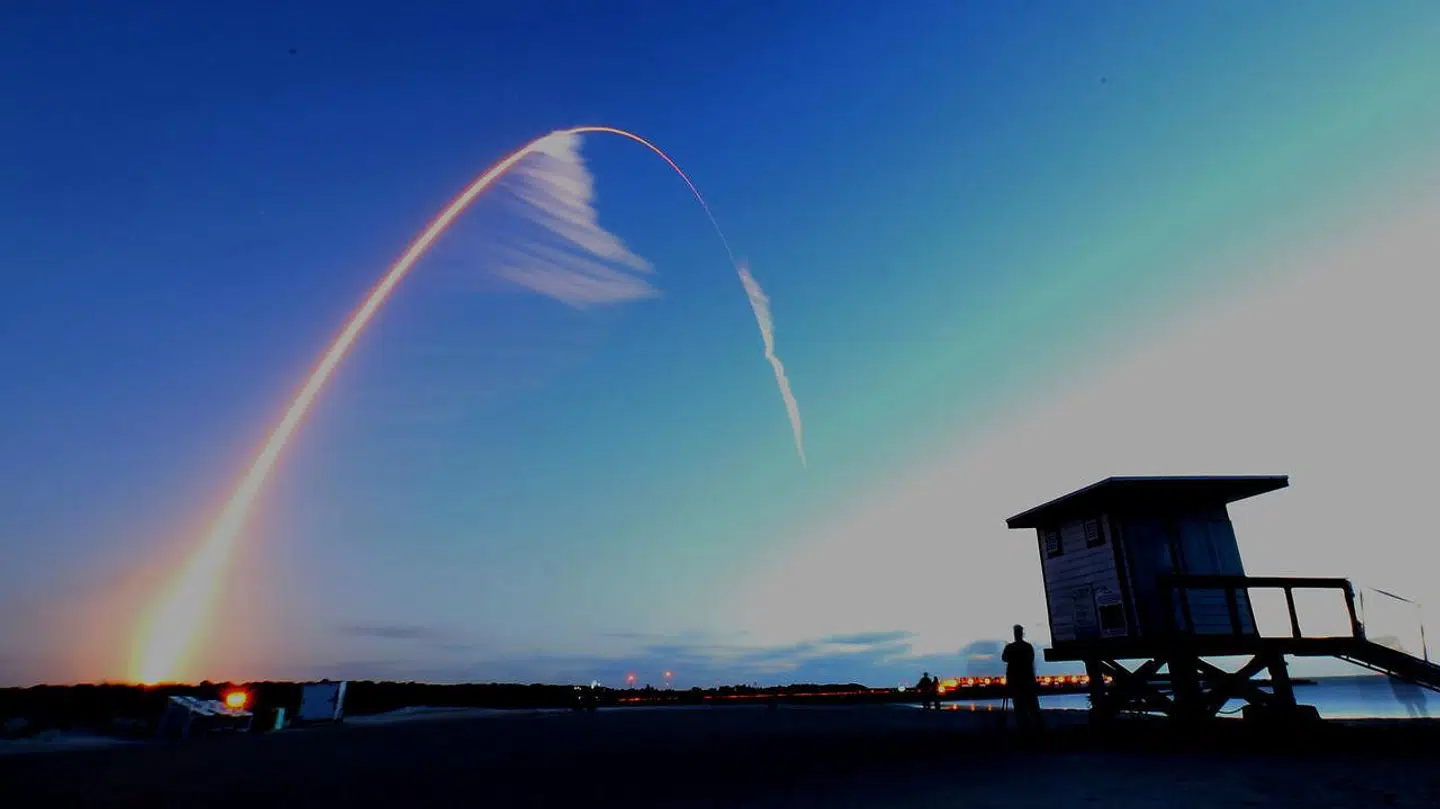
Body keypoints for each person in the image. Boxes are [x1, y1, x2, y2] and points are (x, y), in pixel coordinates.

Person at [1001, 624, 1042, 739]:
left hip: (1016, 683)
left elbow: (1004, 658)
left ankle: (1025, 734)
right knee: (1033, 709)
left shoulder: (1011, 648)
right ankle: (1039, 734)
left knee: (1020, 711)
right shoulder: (1027, 647)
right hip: (1027, 682)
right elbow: (1030, 660)